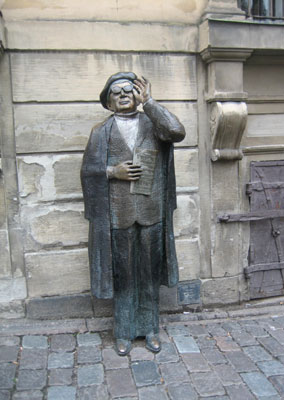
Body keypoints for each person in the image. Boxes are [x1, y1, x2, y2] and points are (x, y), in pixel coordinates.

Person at [81, 72, 185, 356]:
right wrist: (112, 171)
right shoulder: (101, 132)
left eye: (130, 90)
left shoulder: (154, 125)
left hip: (152, 213)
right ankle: (124, 331)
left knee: (149, 275)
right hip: (118, 217)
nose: (124, 95)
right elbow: (88, 172)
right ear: (108, 100)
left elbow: (177, 131)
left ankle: (150, 329)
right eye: (117, 92)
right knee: (124, 276)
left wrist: (150, 102)